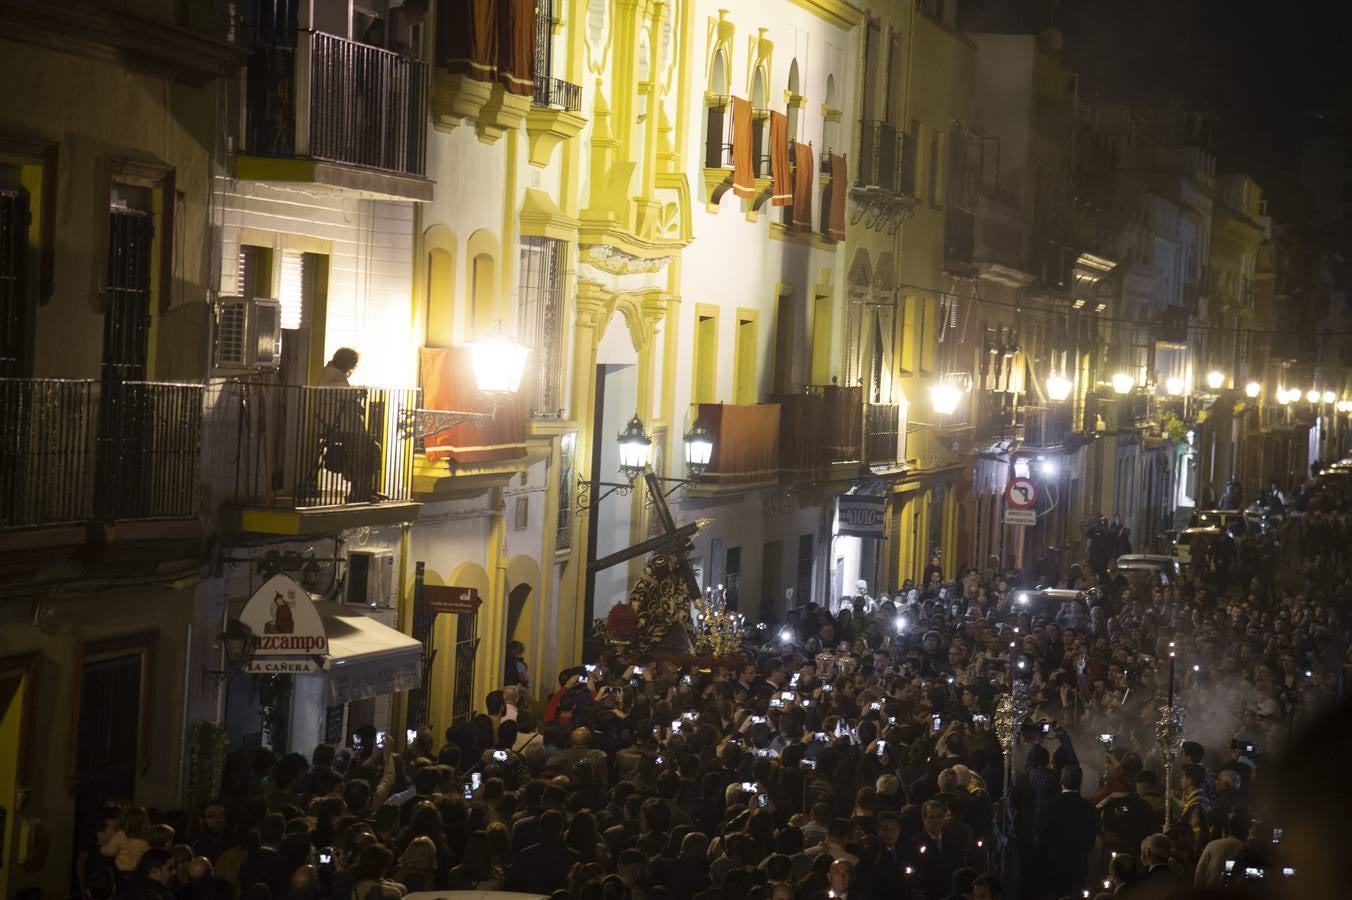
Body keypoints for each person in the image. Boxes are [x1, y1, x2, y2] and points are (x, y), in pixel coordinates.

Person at [316, 347, 383, 503]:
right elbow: (345, 393)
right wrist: (359, 391)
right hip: (338, 426)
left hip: (339, 424)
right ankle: (360, 490)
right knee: (368, 449)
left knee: (368, 448)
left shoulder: (330, 373)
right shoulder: (333, 375)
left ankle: (362, 489)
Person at [1038, 765, 1098, 896]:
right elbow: (1091, 842)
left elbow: (1041, 836)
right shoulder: (1088, 807)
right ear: (1080, 782)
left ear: (1061, 781)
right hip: (1079, 865)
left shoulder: (1051, 805)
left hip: (1054, 865)